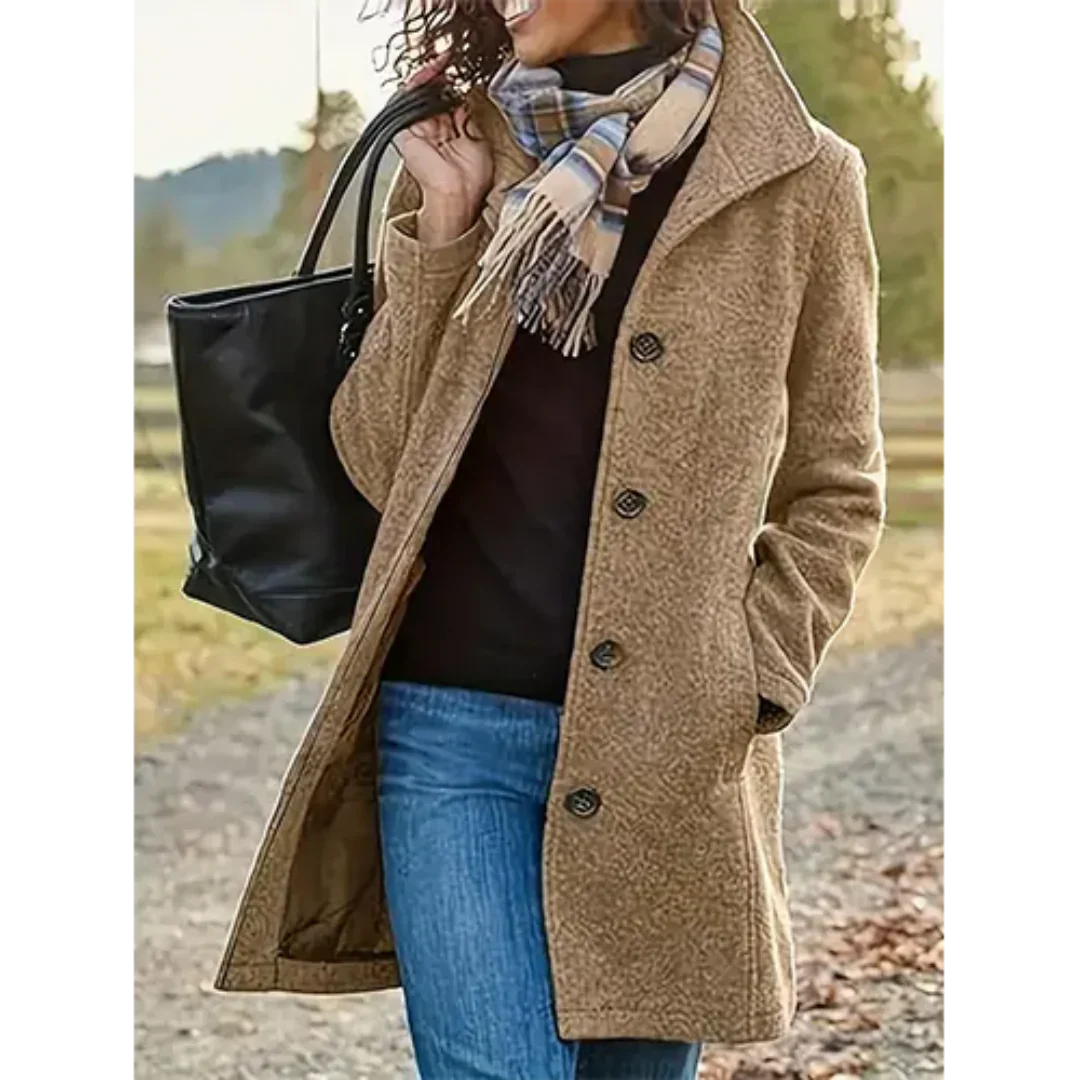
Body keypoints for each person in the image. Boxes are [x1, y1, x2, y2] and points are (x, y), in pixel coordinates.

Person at [214, 1, 886, 1077]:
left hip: (669, 753)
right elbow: (380, 464)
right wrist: (445, 230)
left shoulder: (799, 178)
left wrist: (750, 676)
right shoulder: (463, 150)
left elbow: (837, 484)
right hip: (451, 732)